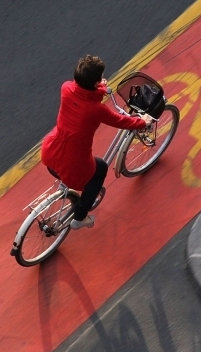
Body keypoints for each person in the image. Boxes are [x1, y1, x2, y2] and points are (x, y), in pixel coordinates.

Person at [41, 55, 152, 229]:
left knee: (82, 167)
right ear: (94, 83)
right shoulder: (95, 110)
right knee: (100, 169)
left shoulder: (66, 88)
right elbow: (120, 121)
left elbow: (82, 94)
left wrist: (99, 87)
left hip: (50, 151)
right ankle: (80, 217)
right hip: (73, 164)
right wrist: (143, 121)